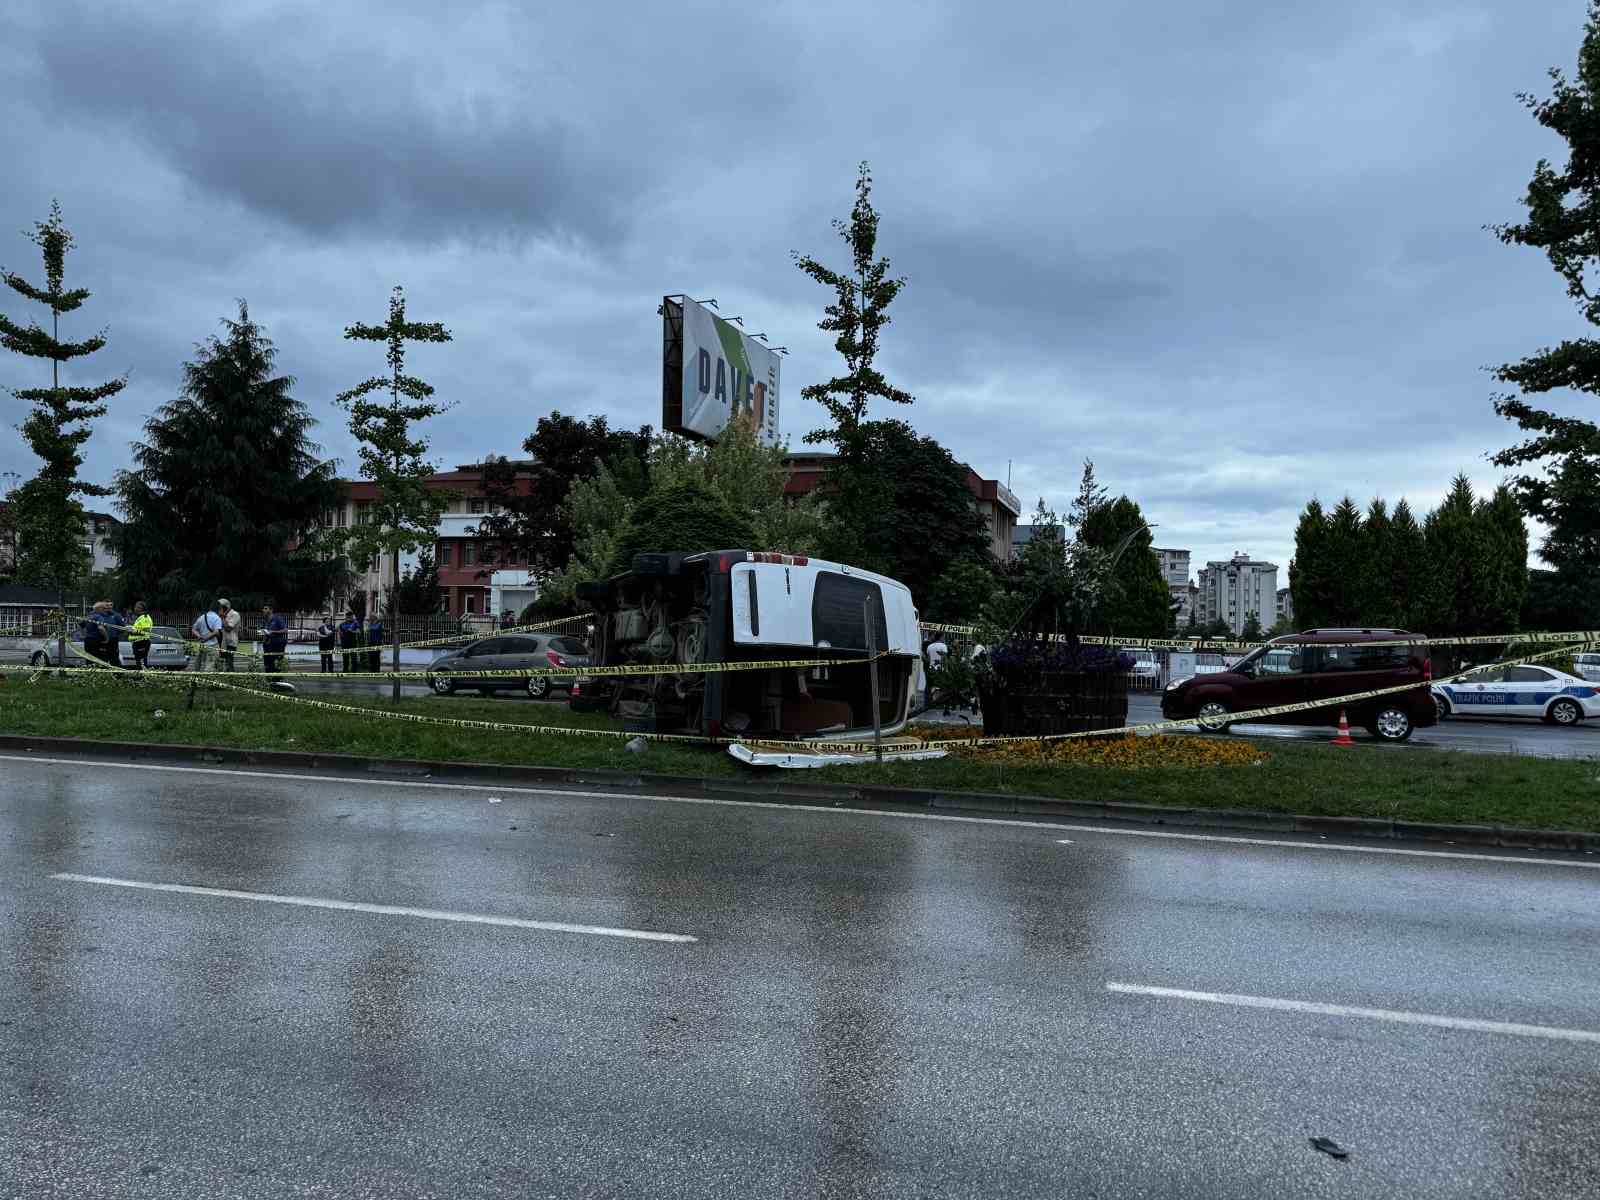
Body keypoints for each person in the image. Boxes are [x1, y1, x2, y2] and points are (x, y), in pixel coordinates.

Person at [258, 604, 288, 676]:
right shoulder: (265, 620)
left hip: (277, 644)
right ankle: (269, 679)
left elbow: (285, 630)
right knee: (268, 664)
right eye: (263, 608)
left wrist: (273, 632)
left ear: (271, 610)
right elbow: (266, 631)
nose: (263, 610)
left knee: (277, 663)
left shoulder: (277, 618)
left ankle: (277, 679)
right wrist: (263, 636)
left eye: (265, 608)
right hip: (268, 645)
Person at [191, 604, 224, 671]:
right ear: (218, 610)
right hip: (212, 646)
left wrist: (199, 636)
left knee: (198, 664)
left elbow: (193, 629)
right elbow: (216, 632)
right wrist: (206, 638)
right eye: (221, 610)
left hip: (201, 646)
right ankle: (207, 679)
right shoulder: (217, 618)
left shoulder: (202, 617)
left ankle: (195, 677)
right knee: (210, 665)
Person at [924, 636, 948, 709]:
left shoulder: (929, 646)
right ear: (941, 637)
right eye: (943, 637)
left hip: (931, 668)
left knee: (929, 685)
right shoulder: (943, 646)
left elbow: (928, 659)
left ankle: (928, 703)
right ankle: (938, 703)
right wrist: (946, 669)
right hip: (940, 669)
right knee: (940, 686)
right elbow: (944, 658)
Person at [218, 598, 242, 671]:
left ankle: (232, 678)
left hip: (231, 642)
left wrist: (222, 617)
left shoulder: (235, 614)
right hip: (223, 642)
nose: (220, 608)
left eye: (221, 607)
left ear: (226, 607)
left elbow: (228, 628)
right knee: (223, 662)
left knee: (229, 661)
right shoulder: (224, 615)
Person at [129, 601, 153, 672]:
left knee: (141, 663)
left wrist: (132, 632)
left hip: (142, 642)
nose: (135, 608)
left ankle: (143, 678)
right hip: (138, 642)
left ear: (142, 609)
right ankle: (142, 677)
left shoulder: (145, 618)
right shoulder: (140, 618)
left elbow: (146, 631)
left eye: (137, 607)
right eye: (135, 606)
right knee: (139, 662)